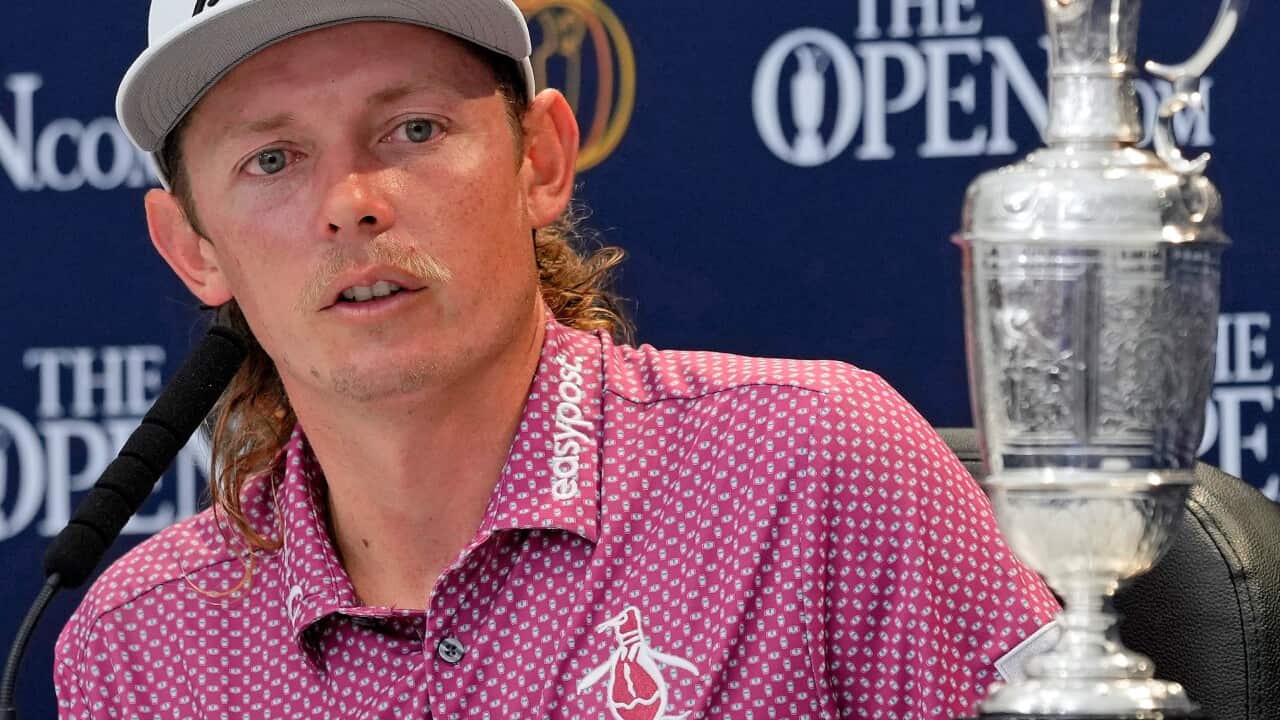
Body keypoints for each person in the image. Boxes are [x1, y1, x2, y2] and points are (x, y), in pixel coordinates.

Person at [54, 1, 1059, 717]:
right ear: (192, 247)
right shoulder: (141, 644)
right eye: (271, 159)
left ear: (539, 159)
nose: (350, 201)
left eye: (412, 128)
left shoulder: (816, 468)